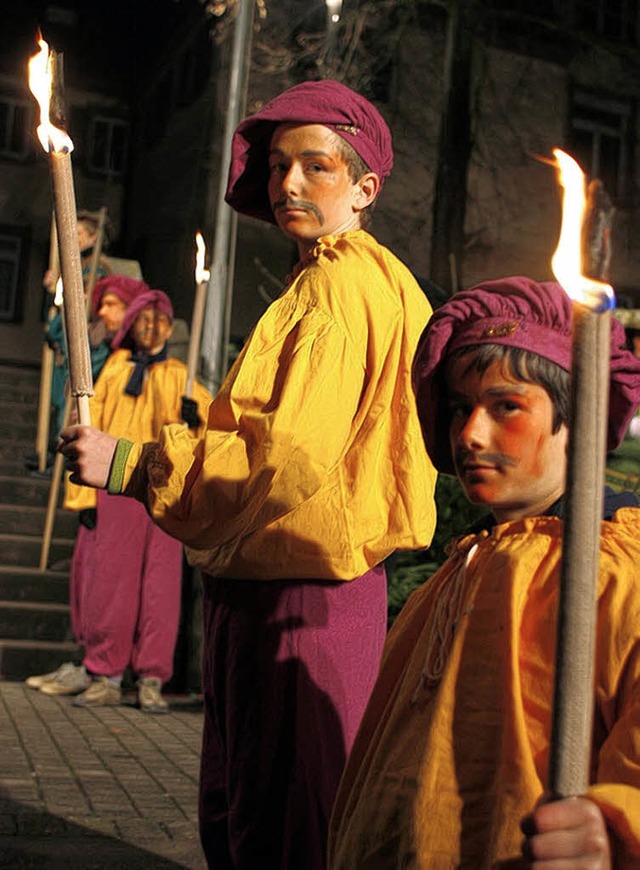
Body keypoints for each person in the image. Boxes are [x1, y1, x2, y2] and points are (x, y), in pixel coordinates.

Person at [58, 79, 437, 867]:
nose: (288, 183)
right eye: (276, 166)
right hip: (307, 590)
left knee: (275, 830)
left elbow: (284, 456)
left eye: (316, 166)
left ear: (365, 188)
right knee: (279, 818)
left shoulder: (334, 289)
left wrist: (130, 461)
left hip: (296, 600)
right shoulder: (367, 280)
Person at [328, 276, 640, 868]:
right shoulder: (455, 574)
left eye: (507, 407)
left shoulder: (617, 570)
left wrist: (613, 827)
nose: (470, 434)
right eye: (460, 409)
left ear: (580, 422)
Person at [52, 289, 211, 713]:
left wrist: (197, 422)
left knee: (161, 586)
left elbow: (208, 438)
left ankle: (152, 676)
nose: (150, 327)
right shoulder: (116, 369)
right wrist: (83, 495)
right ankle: (105, 672)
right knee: (111, 582)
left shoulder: (181, 374)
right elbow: (88, 429)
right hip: (116, 487)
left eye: (159, 320)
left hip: (162, 485)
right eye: (143, 319)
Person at [25, 274, 150, 694]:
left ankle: (107, 667)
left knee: (108, 578)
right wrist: (60, 307)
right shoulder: (106, 355)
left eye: (115, 305)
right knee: (85, 574)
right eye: (103, 304)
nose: (104, 312)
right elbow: (67, 346)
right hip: (92, 480)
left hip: (119, 483)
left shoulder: (125, 362)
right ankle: (89, 658)